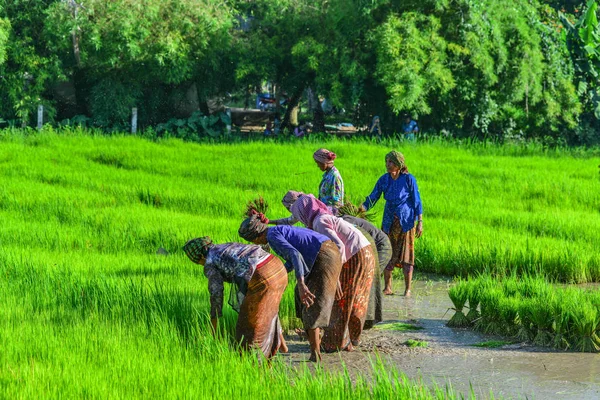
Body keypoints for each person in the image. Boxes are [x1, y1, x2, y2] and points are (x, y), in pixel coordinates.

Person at [238, 214, 343, 362]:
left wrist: (301, 284)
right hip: (324, 252)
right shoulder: (276, 231)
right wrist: (280, 274)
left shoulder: (273, 236)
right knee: (301, 298)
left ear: (256, 237)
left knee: (310, 302)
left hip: (323, 255)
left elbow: (295, 255)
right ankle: (315, 338)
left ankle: (316, 353)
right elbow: (292, 260)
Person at [290, 195, 375, 352]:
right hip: (364, 251)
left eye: (299, 215)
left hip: (354, 255)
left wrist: (335, 276)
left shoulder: (319, 222)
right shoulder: (323, 216)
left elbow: (339, 246)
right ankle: (350, 341)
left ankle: (333, 343)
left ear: (304, 213)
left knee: (340, 299)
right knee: (355, 298)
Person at [183, 237, 288, 359]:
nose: (200, 264)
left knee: (247, 326)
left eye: (197, 262)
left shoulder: (209, 261)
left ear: (200, 256)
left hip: (263, 276)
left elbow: (216, 293)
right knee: (268, 310)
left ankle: (253, 365)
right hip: (278, 268)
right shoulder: (224, 247)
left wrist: (214, 326)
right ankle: (282, 345)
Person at [360, 151, 423, 297]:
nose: (388, 165)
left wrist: (420, 221)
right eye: (387, 162)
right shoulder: (384, 179)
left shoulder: (408, 179)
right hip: (389, 222)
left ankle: (407, 289)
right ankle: (387, 287)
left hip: (406, 222)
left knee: (407, 255)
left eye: (391, 162)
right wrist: (361, 209)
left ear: (399, 164)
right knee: (387, 251)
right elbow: (373, 197)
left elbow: (417, 201)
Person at [340, 215, 392, 328]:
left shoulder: (345, 222)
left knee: (369, 281)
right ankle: (362, 318)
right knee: (364, 282)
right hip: (369, 246)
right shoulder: (338, 222)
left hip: (381, 247)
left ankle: (367, 319)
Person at [313, 148, 344, 214]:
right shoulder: (327, 175)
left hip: (331, 216)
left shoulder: (335, 176)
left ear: (324, 162)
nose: (317, 166)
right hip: (324, 212)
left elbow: (336, 202)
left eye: (318, 163)